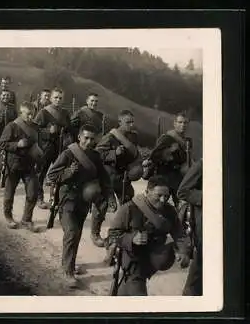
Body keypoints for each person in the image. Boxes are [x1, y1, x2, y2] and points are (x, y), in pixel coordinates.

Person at [46, 125, 112, 287]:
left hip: (84, 200)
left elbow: (104, 178)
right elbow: (51, 175)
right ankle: (67, 270)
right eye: (86, 138)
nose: (89, 141)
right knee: (71, 232)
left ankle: (69, 264)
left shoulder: (95, 156)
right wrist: (69, 172)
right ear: (79, 138)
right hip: (68, 198)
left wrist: (109, 197)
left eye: (92, 138)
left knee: (77, 233)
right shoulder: (68, 154)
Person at [107, 175, 191, 296]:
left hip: (153, 256)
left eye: (166, 196)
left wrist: (184, 252)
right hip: (133, 258)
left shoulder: (169, 211)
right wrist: (131, 238)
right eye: (159, 196)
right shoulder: (129, 209)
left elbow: (180, 233)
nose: (163, 200)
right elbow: (112, 235)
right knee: (138, 297)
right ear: (147, 192)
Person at [91, 109, 143, 247]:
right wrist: (114, 153)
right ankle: (95, 234)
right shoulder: (110, 137)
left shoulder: (133, 137)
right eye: (128, 122)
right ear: (120, 122)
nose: (131, 125)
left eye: (132, 122)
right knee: (102, 204)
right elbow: (97, 154)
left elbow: (135, 154)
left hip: (123, 176)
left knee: (128, 203)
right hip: (108, 175)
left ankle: (122, 233)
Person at [0, 102, 41, 231]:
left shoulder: (35, 127)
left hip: (29, 164)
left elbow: (36, 144)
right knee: (10, 193)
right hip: (14, 164)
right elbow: (2, 143)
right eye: (28, 114)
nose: (30, 117)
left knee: (33, 192)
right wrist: (17, 144)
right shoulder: (12, 126)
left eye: (32, 114)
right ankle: (9, 217)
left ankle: (26, 219)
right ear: (21, 112)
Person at [33, 88, 73, 209]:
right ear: (50, 98)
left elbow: (69, 129)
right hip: (46, 147)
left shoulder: (65, 113)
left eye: (60, 98)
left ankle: (54, 199)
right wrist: (47, 131)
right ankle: (39, 198)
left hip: (60, 147)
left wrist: (68, 137)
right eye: (55, 97)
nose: (58, 100)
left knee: (59, 173)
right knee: (41, 173)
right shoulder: (43, 112)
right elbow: (34, 129)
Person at [143, 111, 193, 209]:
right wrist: (170, 150)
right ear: (174, 123)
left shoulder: (188, 141)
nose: (183, 125)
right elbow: (154, 156)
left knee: (182, 206)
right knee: (156, 205)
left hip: (179, 176)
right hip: (164, 174)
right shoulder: (166, 138)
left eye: (185, 123)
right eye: (180, 122)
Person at [178, 159, 203, 296]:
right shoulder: (203, 164)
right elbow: (183, 191)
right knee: (202, 262)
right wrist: (210, 196)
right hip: (207, 219)